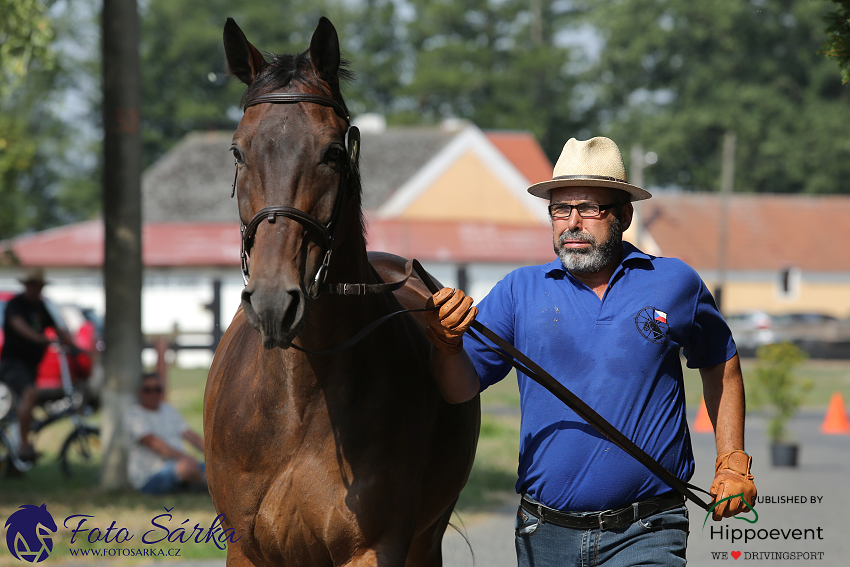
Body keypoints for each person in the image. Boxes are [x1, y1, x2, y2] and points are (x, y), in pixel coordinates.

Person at [425, 137, 756, 566]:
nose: (572, 223)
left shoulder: (675, 282)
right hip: (544, 534)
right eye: (560, 209)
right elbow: (459, 390)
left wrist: (732, 461)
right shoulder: (517, 291)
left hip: (648, 529)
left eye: (590, 208)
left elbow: (721, 363)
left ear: (624, 215)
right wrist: (447, 346)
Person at [0, 268, 75, 462]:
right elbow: (18, 325)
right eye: (33, 285)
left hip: (30, 366)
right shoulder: (15, 304)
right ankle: (24, 446)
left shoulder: (42, 308)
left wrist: (71, 343)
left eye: (39, 286)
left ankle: (17, 455)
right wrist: (39, 338)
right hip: (12, 363)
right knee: (30, 393)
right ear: (26, 286)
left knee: (27, 404)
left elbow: (59, 328)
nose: (36, 289)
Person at [124, 372, 206, 494]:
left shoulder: (168, 410)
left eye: (157, 389)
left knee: (219, 468)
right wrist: (185, 457)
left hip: (179, 465)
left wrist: (214, 456)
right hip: (150, 477)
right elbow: (155, 444)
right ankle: (209, 486)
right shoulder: (134, 414)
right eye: (148, 390)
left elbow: (190, 436)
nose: (153, 394)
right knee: (187, 468)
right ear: (140, 392)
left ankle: (201, 483)